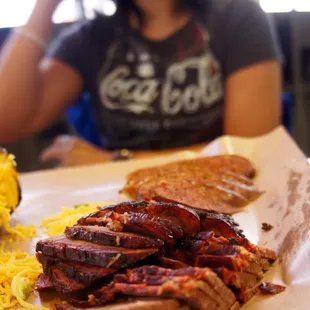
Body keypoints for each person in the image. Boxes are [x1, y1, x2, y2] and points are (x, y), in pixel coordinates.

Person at [0, 0, 282, 167]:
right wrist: (44, 8)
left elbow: (247, 153)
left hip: (221, 200)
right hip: (126, 203)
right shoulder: (91, 38)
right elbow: (7, 121)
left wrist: (116, 161)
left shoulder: (236, 18)